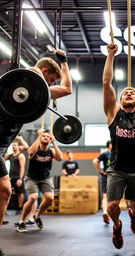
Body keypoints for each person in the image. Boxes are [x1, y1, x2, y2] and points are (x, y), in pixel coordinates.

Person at [0, 49, 71, 254]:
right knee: (5, 190)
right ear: (45, 71)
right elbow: (33, 75)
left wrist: (64, 62)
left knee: (3, 191)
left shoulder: (36, 92)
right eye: (50, 81)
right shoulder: (17, 81)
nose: (49, 87)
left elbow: (67, 89)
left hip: (2, 145)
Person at [102, 38, 135, 249]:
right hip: (117, 169)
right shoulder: (113, 113)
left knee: (134, 205)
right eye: (125, 93)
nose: (129, 92)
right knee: (112, 206)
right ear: (119, 101)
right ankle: (117, 225)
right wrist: (110, 56)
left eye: (132, 92)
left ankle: (133, 215)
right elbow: (106, 83)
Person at [16, 129, 63, 232]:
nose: (46, 137)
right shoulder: (36, 149)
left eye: (47, 136)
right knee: (33, 197)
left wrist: (54, 142)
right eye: (44, 136)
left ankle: (37, 215)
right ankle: (22, 221)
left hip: (45, 177)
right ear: (40, 138)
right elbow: (30, 152)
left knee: (50, 198)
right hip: (31, 178)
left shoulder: (51, 150)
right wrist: (39, 136)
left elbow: (60, 158)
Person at [4, 137, 29, 214]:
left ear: (19, 146)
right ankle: (4, 209)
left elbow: (22, 168)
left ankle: (20, 209)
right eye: (12, 145)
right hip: (11, 177)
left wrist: (20, 179)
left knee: (20, 193)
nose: (13, 147)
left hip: (18, 177)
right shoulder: (10, 155)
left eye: (15, 145)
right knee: (6, 192)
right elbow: (3, 157)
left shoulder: (21, 155)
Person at [92, 140, 112, 224]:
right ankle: (105, 212)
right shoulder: (105, 154)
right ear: (108, 145)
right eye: (112, 144)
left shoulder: (117, 153)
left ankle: (106, 213)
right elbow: (94, 161)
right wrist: (100, 171)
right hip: (107, 177)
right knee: (106, 196)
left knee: (109, 198)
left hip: (115, 177)